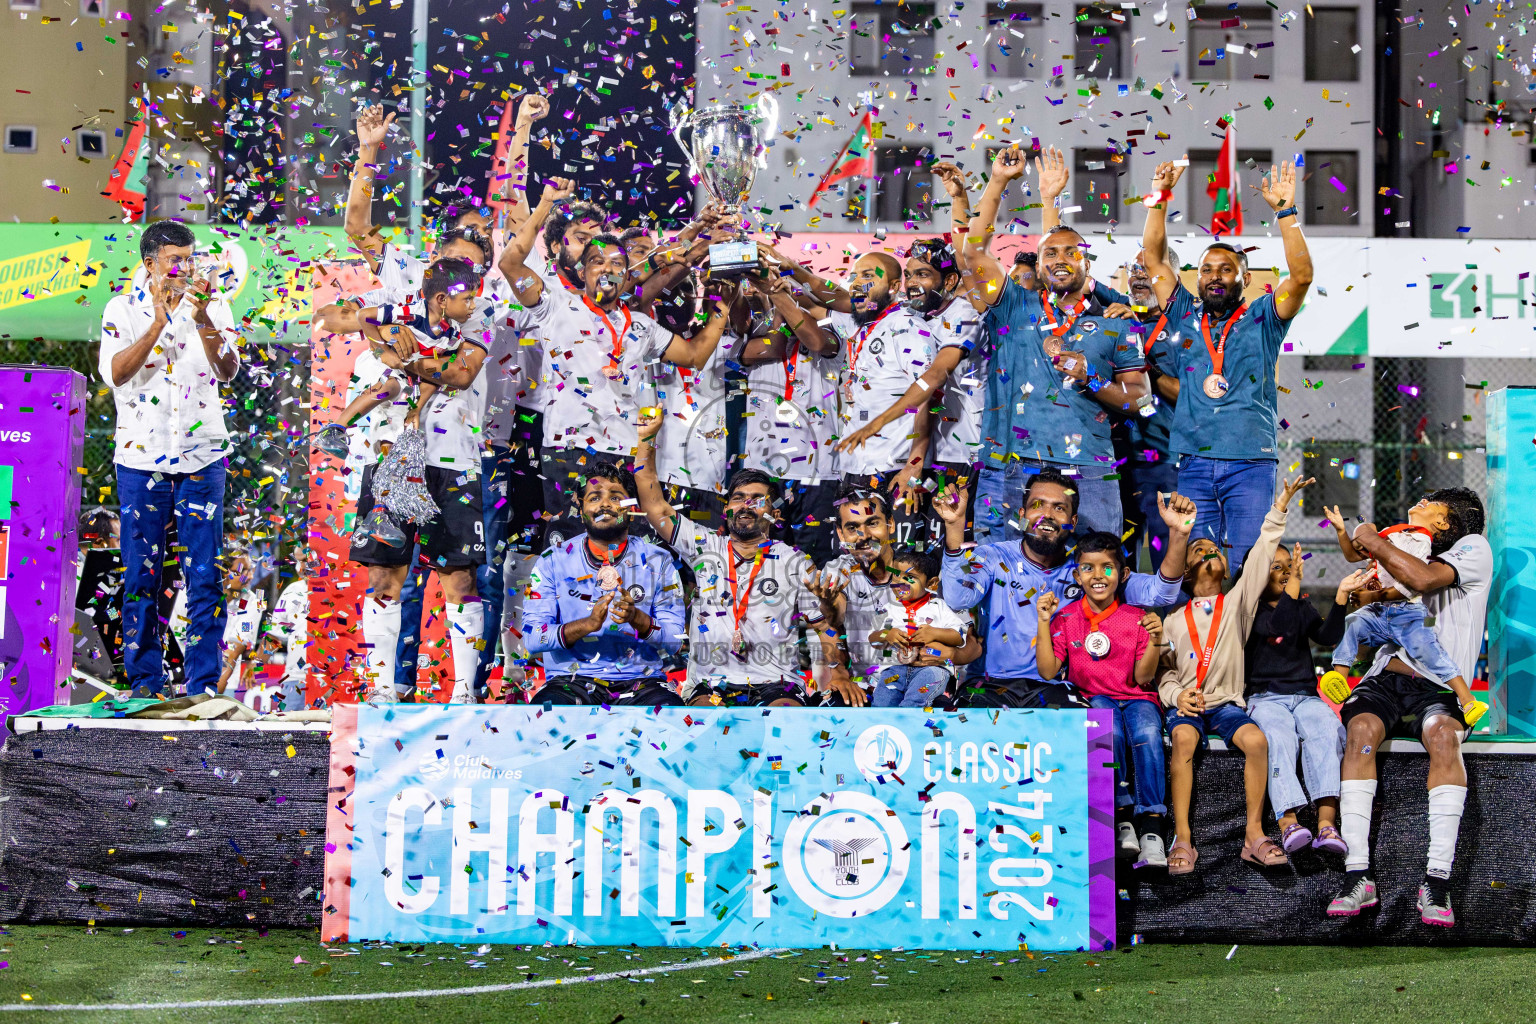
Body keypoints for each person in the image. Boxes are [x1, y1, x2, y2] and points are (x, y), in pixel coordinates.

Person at [951, 145, 1150, 537]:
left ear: (1087, 263)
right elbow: (972, 254)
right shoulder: (1014, 305)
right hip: (1011, 464)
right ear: (1039, 267)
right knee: (1003, 577)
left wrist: (1092, 378)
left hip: (1089, 470)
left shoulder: (1116, 322)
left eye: (1071, 253)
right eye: (1051, 254)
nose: (1060, 259)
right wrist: (998, 181)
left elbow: (1139, 400)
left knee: (1090, 577)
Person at [500, 226, 729, 546]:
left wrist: (723, 306)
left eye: (616, 264)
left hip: (624, 453)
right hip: (568, 450)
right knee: (569, 549)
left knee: (624, 551)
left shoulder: (642, 325)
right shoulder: (553, 305)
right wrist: (544, 206)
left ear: (625, 276)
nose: (607, 268)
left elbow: (694, 355)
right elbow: (510, 266)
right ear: (584, 270)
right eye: (596, 261)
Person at [1140, 158, 1314, 575]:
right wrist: (1159, 198)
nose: (1214, 277)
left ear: (1244, 277)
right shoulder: (1184, 313)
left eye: (1226, 270)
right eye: (1206, 270)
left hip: (1249, 463)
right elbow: (1153, 258)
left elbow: (1302, 276)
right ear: (1196, 277)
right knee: (1200, 566)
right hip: (1194, 463)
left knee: (1244, 566)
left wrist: (1286, 213)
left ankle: (1244, 640)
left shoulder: (1264, 318)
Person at [1325, 487, 1490, 927]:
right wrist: (1369, 592)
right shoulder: (1409, 547)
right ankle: (1357, 874)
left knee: (1442, 736)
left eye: (1427, 503)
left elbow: (1422, 579)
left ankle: (1437, 882)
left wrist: (1371, 537)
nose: (1416, 504)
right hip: (1385, 676)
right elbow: (1393, 592)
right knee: (1359, 732)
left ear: (1449, 520)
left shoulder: (1472, 548)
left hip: (1437, 686)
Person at [99, 219, 241, 696]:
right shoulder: (122, 308)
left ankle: (203, 686)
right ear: (149, 263)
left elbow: (229, 369)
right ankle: (146, 683)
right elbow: (116, 374)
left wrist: (201, 319)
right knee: (143, 574)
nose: (184, 267)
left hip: (202, 458)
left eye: (189, 257)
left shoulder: (214, 305)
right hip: (142, 459)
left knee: (204, 574)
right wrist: (159, 322)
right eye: (173, 260)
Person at [632, 408, 858, 706]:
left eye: (757, 499)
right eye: (738, 498)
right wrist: (646, 440)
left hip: (777, 683)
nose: (746, 504)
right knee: (704, 719)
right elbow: (655, 506)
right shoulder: (704, 546)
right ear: (727, 509)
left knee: (785, 719)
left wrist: (839, 671)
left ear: (775, 515)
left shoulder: (794, 561)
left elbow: (824, 627)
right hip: (709, 685)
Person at [352, 258, 497, 704]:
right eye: (465, 293)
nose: (473, 300)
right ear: (440, 297)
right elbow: (349, 317)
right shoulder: (389, 327)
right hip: (393, 460)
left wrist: (408, 356)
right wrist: (382, 342)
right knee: (383, 575)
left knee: (460, 579)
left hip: (456, 462)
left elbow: (461, 374)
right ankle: (380, 689)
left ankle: (463, 691)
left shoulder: (480, 321)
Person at [1157, 474, 1313, 876]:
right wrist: (1178, 698)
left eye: (1213, 548)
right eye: (1200, 550)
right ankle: (1184, 838)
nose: (1210, 550)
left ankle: (1254, 834)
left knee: (1257, 741)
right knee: (1183, 737)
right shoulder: (1173, 619)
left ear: (1226, 569)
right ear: (1187, 574)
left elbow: (1262, 553)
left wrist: (1279, 507)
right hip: (1189, 707)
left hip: (1227, 703)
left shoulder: (1237, 604)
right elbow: (1165, 675)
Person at [936, 465, 1195, 708]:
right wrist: (954, 526)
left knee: (1087, 734)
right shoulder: (992, 557)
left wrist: (1179, 535)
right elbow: (958, 598)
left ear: (1071, 521)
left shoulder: (1088, 569)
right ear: (1023, 515)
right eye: (1038, 505)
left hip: (1058, 688)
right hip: (989, 685)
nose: (1047, 514)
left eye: (1059, 508)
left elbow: (1161, 593)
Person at [835, 225, 985, 539]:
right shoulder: (911, 314)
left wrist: (882, 428)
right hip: (930, 454)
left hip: (960, 454)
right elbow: (842, 300)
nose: (913, 283)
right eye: (910, 274)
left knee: (947, 547)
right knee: (915, 553)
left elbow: (933, 379)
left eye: (923, 274)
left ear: (950, 280)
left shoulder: (965, 315)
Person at [1034, 530, 1169, 867]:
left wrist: (1155, 640)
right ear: (1077, 574)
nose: (1098, 576)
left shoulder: (1138, 618)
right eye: (1088, 568)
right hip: (1095, 697)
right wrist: (1043, 622)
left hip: (1138, 698)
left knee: (1147, 735)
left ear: (1122, 575)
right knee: (1111, 731)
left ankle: (1151, 827)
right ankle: (1122, 817)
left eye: (1107, 568)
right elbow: (1049, 671)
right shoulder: (1065, 619)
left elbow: (1143, 678)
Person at [521, 465, 686, 705]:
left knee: (672, 720)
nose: (605, 505)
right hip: (571, 680)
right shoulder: (551, 560)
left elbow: (675, 641)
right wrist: (587, 625)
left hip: (643, 681)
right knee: (545, 721)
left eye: (616, 497)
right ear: (581, 508)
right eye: (595, 497)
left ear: (632, 508)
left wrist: (636, 618)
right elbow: (532, 638)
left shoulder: (658, 560)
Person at [1245, 544, 1369, 856]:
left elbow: (1326, 636)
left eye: (1290, 565)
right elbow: (1279, 627)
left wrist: (1341, 598)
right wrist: (1296, 585)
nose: (1287, 571)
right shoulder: (1249, 610)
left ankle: (1326, 824)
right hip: (1266, 698)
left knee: (1327, 728)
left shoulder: (1300, 604)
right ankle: (1288, 822)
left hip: (1304, 696)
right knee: (1277, 736)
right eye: (1277, 567)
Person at [1319, 500, 1489, 726]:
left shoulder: (1421, 543)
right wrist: (1342, 530)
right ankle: (1339, 677)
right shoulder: (1395, 535)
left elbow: (1411, 586)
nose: (1424, 500)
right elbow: (1353, 554)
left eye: (1434, 503)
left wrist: (1373, 596)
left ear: (1441, 523)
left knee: (1430, 652)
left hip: (1406, 613)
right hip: (1380, 612)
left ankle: (1468, 701)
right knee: (1351, 623)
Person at [809, 487, 982, 700]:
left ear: (890, 524)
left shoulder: (924, 569)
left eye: (872, 523)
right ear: (840, 533)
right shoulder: (838, 571)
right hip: (869, 688)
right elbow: (835, 619)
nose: (864, 536)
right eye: (853, 527)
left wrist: (953, 655)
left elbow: (973, 646)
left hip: (928, 685)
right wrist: (841, 675)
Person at [829, 251, 937, 549]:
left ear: (893, 287)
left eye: (867, 276)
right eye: (854, 277)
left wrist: (914, 465)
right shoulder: (860, 325)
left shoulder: (909, 328)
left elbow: (928, 396)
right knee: (855, 562)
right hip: (854, 471)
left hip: (895, 473)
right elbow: (819, 295)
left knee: (899, 563)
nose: (857, 283)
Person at [1096, 253, 1181, 569]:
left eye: (1148, 270)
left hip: (1164, 464)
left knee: (1169, 562)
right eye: (1134, 270)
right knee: (1116, 560)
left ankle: (1172, 619)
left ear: (1170, 277)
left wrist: (1139, 356)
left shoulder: (1185, 327)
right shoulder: (1120, 318)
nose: (1139, 276)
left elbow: (1190, 396)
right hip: (1114, 462)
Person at [867, 550, 970, 708]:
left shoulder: (938, 607)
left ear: (931, 583)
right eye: (896, 575)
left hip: (931, 668)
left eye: (910, 577)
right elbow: (872, 638)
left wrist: (935, 632)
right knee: (882, 704)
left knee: (915, 702)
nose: (900, 582)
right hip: (894, 669)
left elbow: (958, 637)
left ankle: (909, 727)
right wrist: (887, 634)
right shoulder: (889, 608)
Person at [266, 548, 312, 711]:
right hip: (295, 680)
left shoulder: (339, 589)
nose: (302, 566)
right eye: (298, 561)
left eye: (305, 559)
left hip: (330, 681)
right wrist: (256, 664)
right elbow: (275, 633)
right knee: (288, 733)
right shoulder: (292, 590)